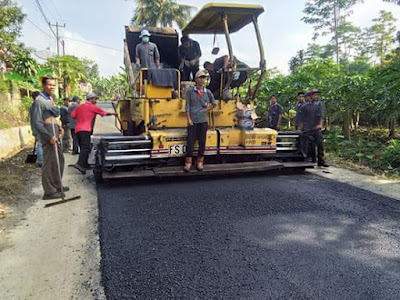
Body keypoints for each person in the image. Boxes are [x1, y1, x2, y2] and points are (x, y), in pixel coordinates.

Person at [30, 77, 67, 200]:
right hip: (48, 132)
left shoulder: (49, 99)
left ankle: (57, 184)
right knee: (50, 161)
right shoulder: (39, 101)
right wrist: (48, 136)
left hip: (54, 130)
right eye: (49, 85)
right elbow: (37, 122)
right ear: (43, 85)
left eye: (53, 85)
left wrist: (59, 127)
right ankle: (49, 191)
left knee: (59, 159)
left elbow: (53, 116)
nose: (52, 87)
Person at [71, 92, 117, 174]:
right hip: (86, 129)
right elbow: (104, 113)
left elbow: (73, 115)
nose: (96, 101)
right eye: (95, 99)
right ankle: (80, 164)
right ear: (90, 99)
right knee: (86, 147)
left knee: (83, 147)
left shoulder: (80, 106)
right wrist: (113, 114)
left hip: (77, 129)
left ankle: (85, 164)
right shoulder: (92, 107)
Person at [184, 70, 216, 172]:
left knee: (202, 142)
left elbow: (214, 102)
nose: (202, 80)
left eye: (204, 78)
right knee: (190, 142)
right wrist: (188, 118)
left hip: (203, 121)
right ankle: (188, 163)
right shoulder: (190, 91)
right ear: (196, 79)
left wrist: (208, 108)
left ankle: (200, 162)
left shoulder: (207, 92)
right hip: (192, 120)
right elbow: (187, 106)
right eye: (200, 78)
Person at [299, 89, 328, 167]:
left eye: (316, 95)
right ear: (310, 96)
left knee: (320, 144)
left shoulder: (320, 104)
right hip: (307, 128)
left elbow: (322, 116)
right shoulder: (305, 106)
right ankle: (311, 160)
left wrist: (320, 125)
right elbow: (302, 118)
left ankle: (321, 160)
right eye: (313, 95)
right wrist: (300, 128)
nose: (315, 96)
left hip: (316, 127)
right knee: (310, 145)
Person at [29, 91, 43, 167]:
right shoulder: (39, 105)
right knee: (41, 145)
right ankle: (41, 161)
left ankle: (41, 160)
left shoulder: (32, 106)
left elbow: (32, 119)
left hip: (35, 127)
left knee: (40, 144)